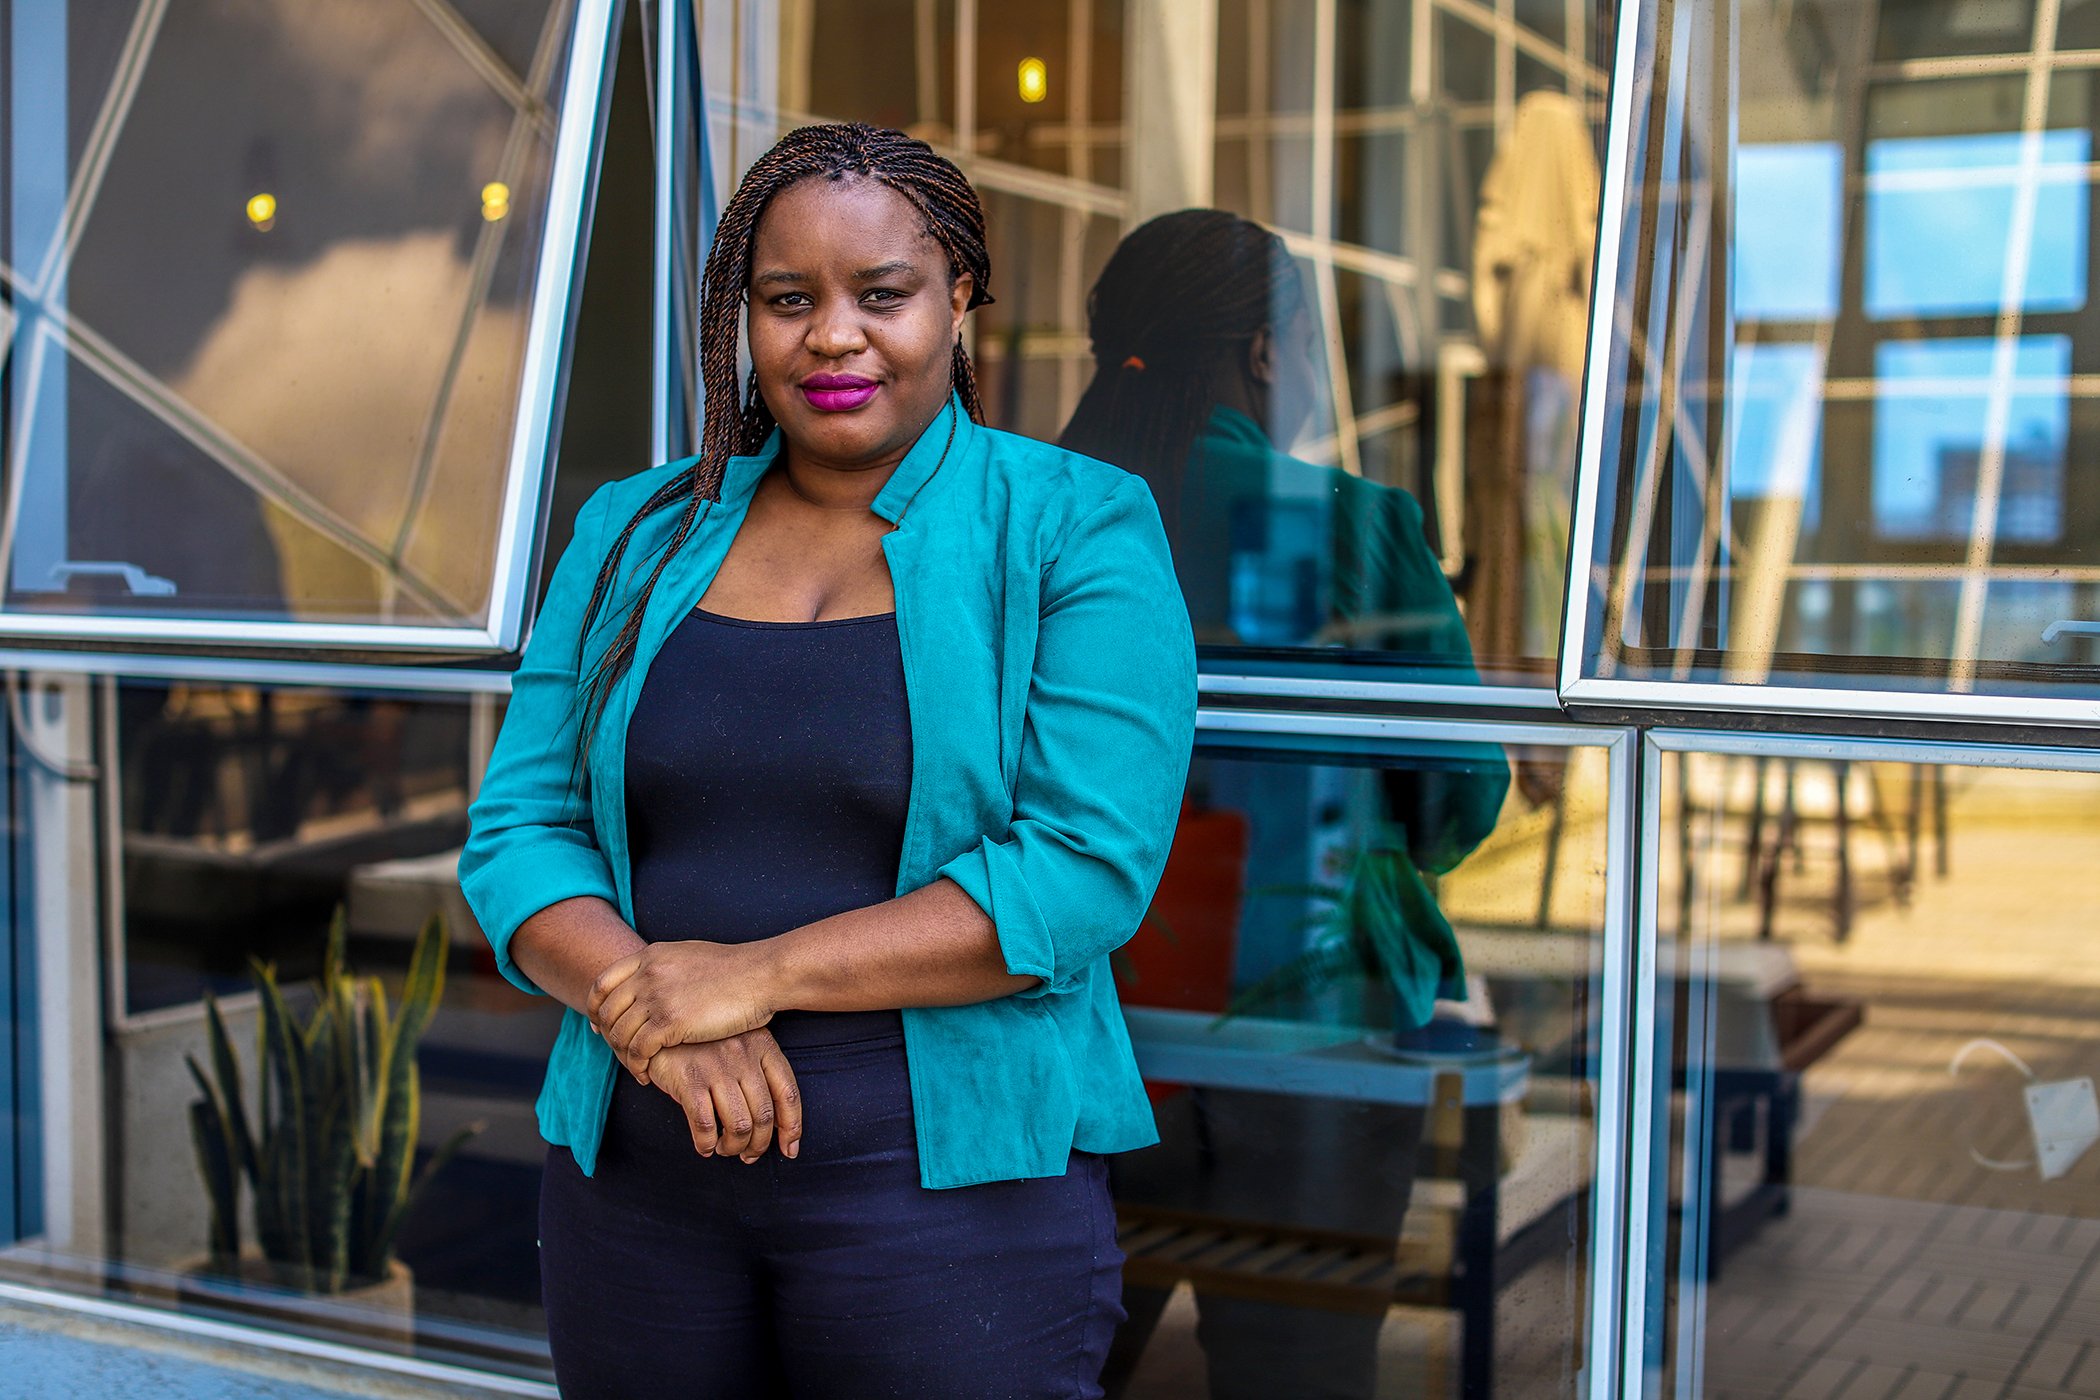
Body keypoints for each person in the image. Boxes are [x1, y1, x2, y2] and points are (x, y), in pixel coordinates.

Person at [459, 123, 1196, 1399]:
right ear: (743, 316)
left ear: (961, 297)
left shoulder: (1078, 523)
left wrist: (753, 977)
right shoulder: (635, 528)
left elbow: (1079, 872)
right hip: (637, 1188)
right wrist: (653, 1008)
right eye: (788, 299)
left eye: (884, 294)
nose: (833, 337)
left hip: (948, 1209)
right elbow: (518, 825)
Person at [1061, 209, 1508, 1400]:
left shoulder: (1022, 520)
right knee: (1297, 1368)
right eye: (1312, 346)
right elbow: (1460, 801)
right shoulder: (1352, 527)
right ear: (1265, 352)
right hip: (1309, 1029)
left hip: (1073, 1020)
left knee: (1051, 1358)